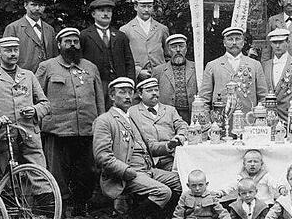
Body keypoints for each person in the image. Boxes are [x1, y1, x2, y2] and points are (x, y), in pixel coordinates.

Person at [36, 27, 105, 215]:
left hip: (86, 129)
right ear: (59, 45)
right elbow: (37, 97)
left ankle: (81, 206)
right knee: (58, 172)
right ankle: (62, 207)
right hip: (57, 130)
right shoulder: (47, 67)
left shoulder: (90, 67)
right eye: (67, 41)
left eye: (75, 41)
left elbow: (99, 98)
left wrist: (100, 124)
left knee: (87, 170)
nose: (72, 45)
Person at [93, 77, 182, 218]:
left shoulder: (132, 118)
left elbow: (150, 147)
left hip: (147, 169)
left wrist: (168, 145)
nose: (128, 96)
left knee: (182, 181)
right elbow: (102, 157)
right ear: (111, 95)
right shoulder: (105, 120)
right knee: (163, 192)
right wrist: (127, 171)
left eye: (130, 92)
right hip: (126, 174)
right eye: (122, 92)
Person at [0, 37, 50, 177]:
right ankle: (13, 198)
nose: (13, 54)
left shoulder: (29, 76)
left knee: (40, 175)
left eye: (16, 50)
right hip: (4, 136)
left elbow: (45, 104)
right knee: (10, 179)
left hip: (30, 134)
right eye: (8, 50)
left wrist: (35, 110)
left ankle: (47, 198)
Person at [199, 27, 268, 116]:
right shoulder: (212, 65)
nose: (234, 43)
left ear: (243, 42)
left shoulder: (255, 65)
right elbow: (204, 99)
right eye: (230, 39)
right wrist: (208, 122)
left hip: (248, 120)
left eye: (238, 39)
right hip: (220, 121)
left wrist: (259, 118)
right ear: (224, 43)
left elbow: (263, 96)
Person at [80, 0, 136, 104]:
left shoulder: (120, 36)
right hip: (96, 83)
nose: (106, 14)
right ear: (93, 14)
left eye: (109, 11)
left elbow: (129, 61)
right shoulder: (85, 35)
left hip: (118, 83)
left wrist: (130, 82)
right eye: (102, 11)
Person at [128, 76, 188, 171]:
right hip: (147, 162)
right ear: (140, 94)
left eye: (156, 90)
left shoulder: (170, 110)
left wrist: (180, 135)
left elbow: (182, 125)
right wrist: (168, 145)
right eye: (149, 91)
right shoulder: (132, 112)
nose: (154, 93)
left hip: (171, 159)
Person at [3, 0, 58, 73]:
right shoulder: (13, 28)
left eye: (41, 5)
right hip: (22, 77)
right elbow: (6, 57)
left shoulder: (49, 29)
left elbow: (55, 56)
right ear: (25, 5)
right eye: (33, 5)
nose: (37, 8)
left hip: (47, 76)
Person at [262, 28, 292, 123]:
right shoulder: (265, 65)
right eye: (275, 42)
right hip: (268, 119)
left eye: (281, 42)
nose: (278, 46)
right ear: (271, 44)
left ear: (287, 42)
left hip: (289, 119)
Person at [119, 0, 170, 78]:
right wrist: (138, 72)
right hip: (138, 79)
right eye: (143, 6)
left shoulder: (162, 29)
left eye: (149, 6)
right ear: (136, 7)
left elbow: (168, 56)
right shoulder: (125, 30)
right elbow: (122, 59)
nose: (146, 10)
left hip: (160, 76)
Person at [153, 34, 198, 123]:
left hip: (192, 115)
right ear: (168, 50)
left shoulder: (197, 68)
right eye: (174, 47)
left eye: (181, 46)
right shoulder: (158, 71)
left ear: (186, 48)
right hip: (167, 117)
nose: (178, 50)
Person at [215, 150, 286, 206]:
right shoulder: (241, 176)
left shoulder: (265, 175)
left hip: (264, 204)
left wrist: (281, 188)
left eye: (255, 161)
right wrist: (221, 192)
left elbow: (274, 183)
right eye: (249, 162)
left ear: (261, 164)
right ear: (244, 164)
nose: (252, 164)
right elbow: (231, 186)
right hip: (245, 203)